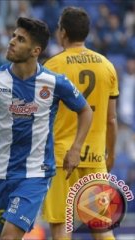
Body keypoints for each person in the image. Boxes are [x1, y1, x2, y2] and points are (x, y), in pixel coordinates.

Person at [0, 17, 93, 239]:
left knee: (9, 236)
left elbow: (86, 111)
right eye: (14, 36)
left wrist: (76, 148)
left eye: (20, 39)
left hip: (35, 174)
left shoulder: (55, 83)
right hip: (0, 173)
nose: (11, 42)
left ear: (35, 50)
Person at [41, 7, 119, 240]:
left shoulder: (52, 66)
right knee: (101, 226)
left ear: (63, 32)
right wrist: (111, 154)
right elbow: (112, 119)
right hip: (95, 156)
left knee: (61, 224)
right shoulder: (106, 65)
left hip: (61, 157)